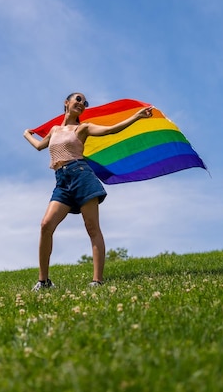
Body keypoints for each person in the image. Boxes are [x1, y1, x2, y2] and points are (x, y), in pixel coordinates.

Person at [23, 92, 153, 290]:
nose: (82, 104)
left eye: (85, 103)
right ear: (66, 103)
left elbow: (110, 130)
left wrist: (136, 117)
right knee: (45, 225)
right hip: (62, 181)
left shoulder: (83, 128)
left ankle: (97, 281)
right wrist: (27, 135)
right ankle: (44, 282)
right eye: (78, 100)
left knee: (92, 228)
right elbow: (40, 146)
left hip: (81, 176)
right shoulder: (55, 130)